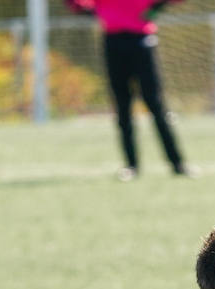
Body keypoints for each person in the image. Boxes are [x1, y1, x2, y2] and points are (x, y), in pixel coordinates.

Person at [67, 0, 192, 180]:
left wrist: (157, 8)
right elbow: (83, 6)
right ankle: (131, 165)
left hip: (141, 42)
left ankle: (177, 163)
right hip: (113, 42)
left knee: (155, 105)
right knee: (122, 107)